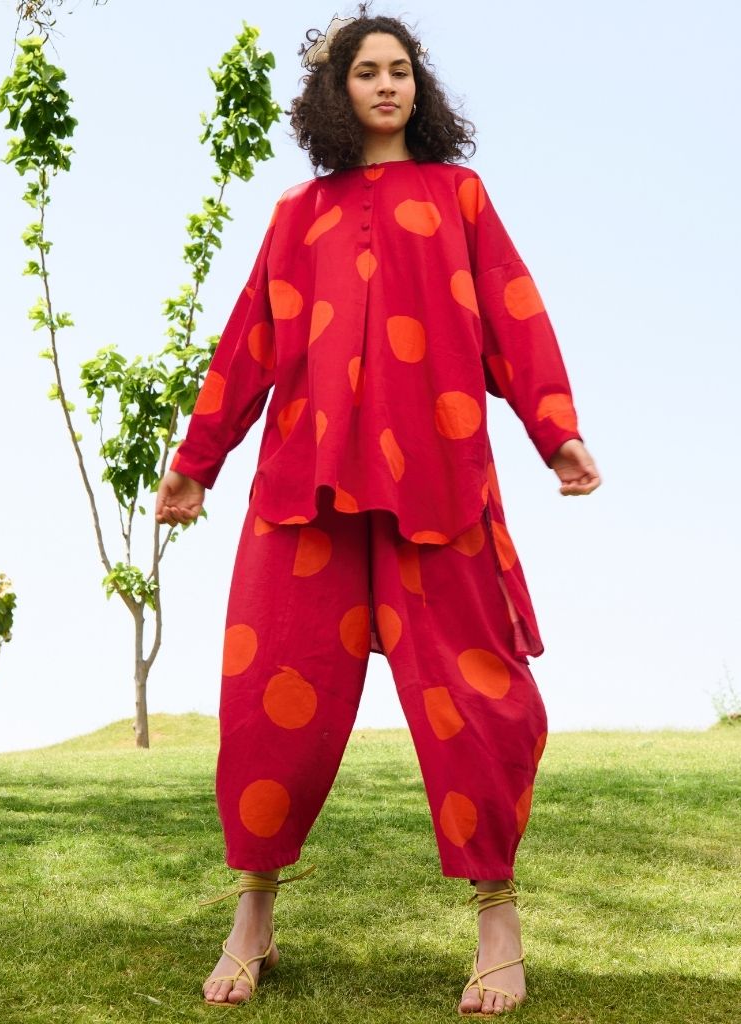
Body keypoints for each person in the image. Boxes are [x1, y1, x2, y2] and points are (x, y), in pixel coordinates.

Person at [155, 4, 601, 1014]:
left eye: (401, 69)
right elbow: (249, 343)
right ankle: (252, 920)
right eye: (367, 71)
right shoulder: (296, 215)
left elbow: (515, 315)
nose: (387, 84)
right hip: (303, 494)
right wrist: (197, 460)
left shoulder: (459, 196)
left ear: (419, 87)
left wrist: (556, 431)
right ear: (338, 90)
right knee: (268, 699)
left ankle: (498, 922)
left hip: (435, 487)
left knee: (477, 699)